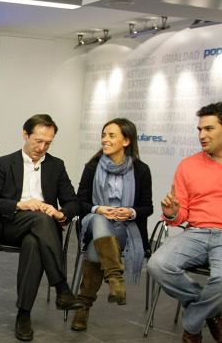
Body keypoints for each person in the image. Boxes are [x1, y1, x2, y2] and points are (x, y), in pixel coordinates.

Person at [0, 114, 82, 341]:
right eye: (38, 141)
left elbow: (73, 202)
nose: (42, 147)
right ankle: (62, 288)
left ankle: (23, 315)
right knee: (39, 218)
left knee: (34, 241)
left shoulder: (56, 165)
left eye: (48, 143)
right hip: (11, 225)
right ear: (25, 135)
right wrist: (20, 204)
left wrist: (60, 213)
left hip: (42, 232)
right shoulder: (5, 163)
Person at [147, 102, 222, 343]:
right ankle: (211, 312)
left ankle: (192, 323)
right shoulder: (188, 165)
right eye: (199, 129)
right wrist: (171, 213)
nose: (202, 135)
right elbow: (180, 217)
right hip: (196, 233)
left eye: (209, 129)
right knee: (158, 264)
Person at [71, 118, 153, 331]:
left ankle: (84, 307)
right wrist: (99, 209)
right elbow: (80, 202)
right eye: (104, 135)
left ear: (126, 141)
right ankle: (115, 278)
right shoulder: (92, 167)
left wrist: (131, 211)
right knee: (100, 221)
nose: (105, 140)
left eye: (111, 135)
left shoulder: (141, 170)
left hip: (126, 228)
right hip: (93, 223)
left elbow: (147, 207)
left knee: (95, 249)